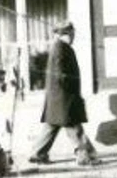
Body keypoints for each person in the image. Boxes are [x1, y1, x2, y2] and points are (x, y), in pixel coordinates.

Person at [29, 21, 100, 166]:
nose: (74, 36)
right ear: (66, 34)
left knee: (52, 126)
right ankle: (85, 156)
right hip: (64, 97)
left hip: (58, 97)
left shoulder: (60, 47)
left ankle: (38, 154)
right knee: (74, 127)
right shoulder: (61, 48)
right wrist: (69, 90)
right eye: (72, 33)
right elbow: (60, 73)